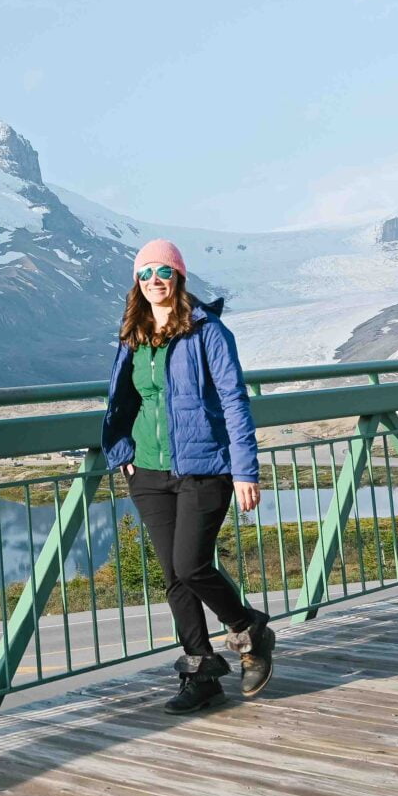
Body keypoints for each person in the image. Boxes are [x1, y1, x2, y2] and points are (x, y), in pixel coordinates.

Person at [100, 238, 275, 712]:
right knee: (174, 576)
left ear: (179, 277)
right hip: (148, 472)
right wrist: (121, 451)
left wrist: (244, 470)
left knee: (192, 565)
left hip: (204, 467)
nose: (154, 281)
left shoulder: (207, 331)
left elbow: (234, 401)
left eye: (163, 272)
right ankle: (200, 672)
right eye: (144, 274)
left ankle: (249, 628)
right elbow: (124, 399)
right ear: (136, 283)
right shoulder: (133, 331)